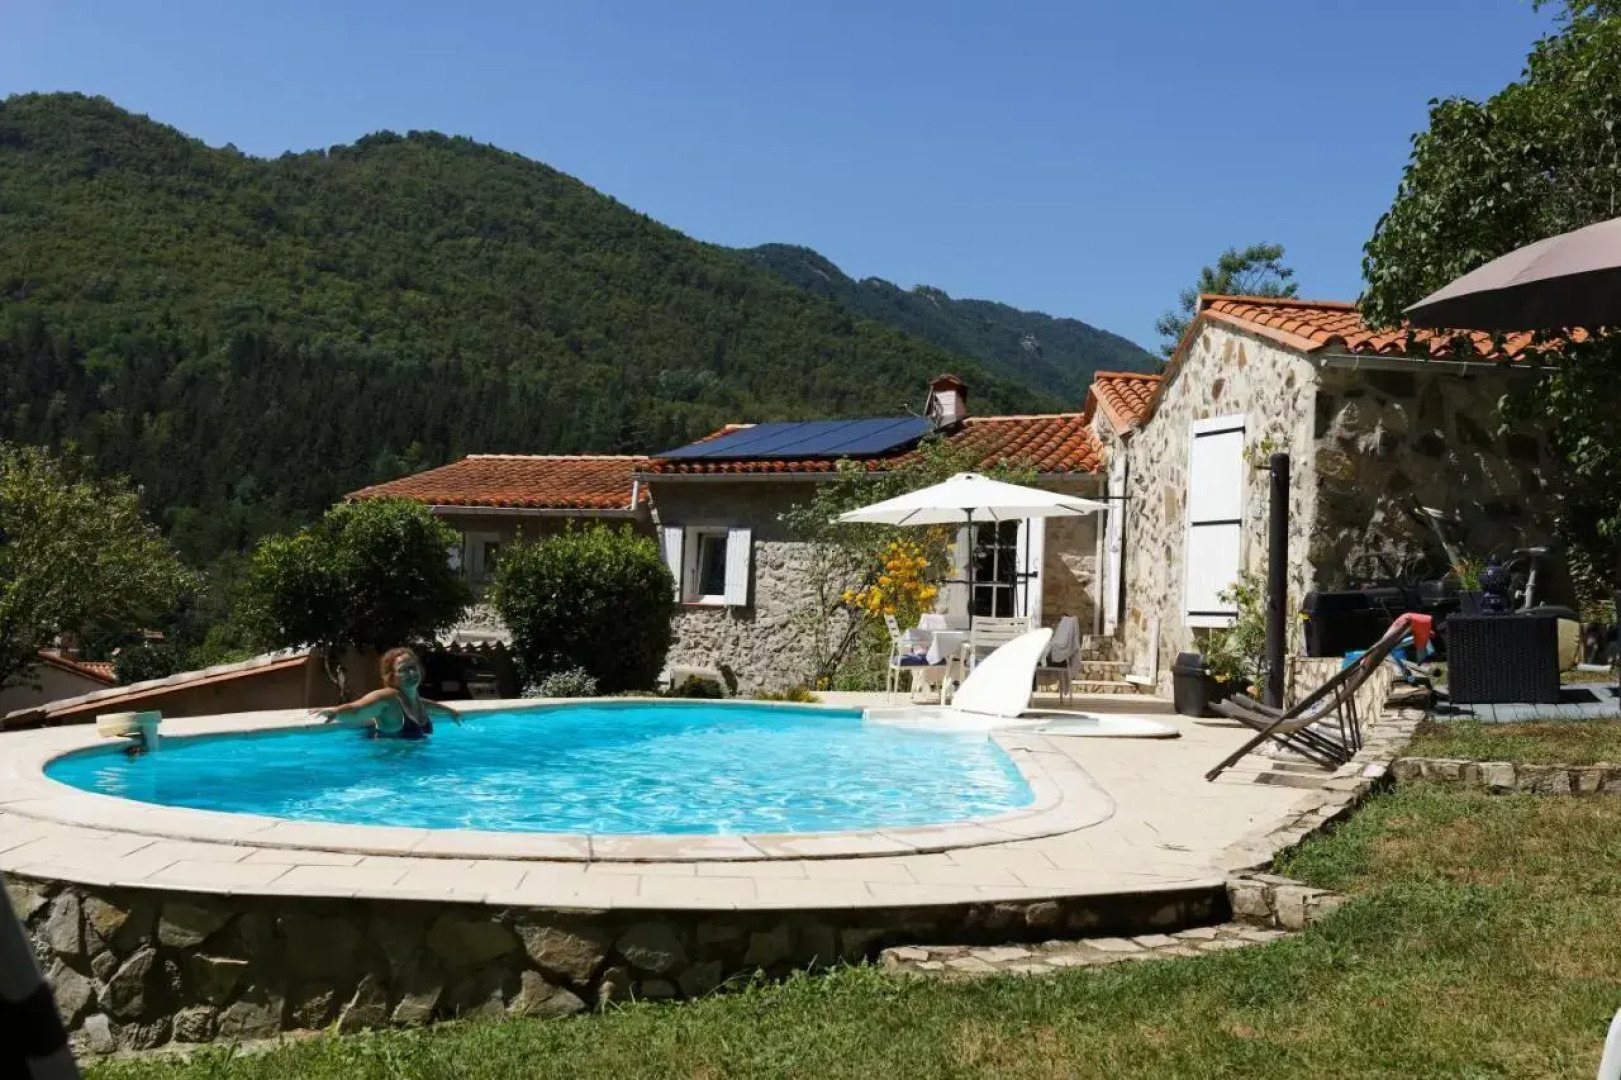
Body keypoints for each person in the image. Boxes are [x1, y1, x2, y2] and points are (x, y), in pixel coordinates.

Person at [315, 647, 461, 738]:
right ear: (392, 677)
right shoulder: (388, 698)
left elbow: (426, 704)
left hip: (415, 771)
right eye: (403, 670)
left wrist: (450, 711)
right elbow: (358, 708)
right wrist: (336, 712)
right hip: (391, 770)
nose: (411, 673)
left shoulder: (414, 700)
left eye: (413, 668)